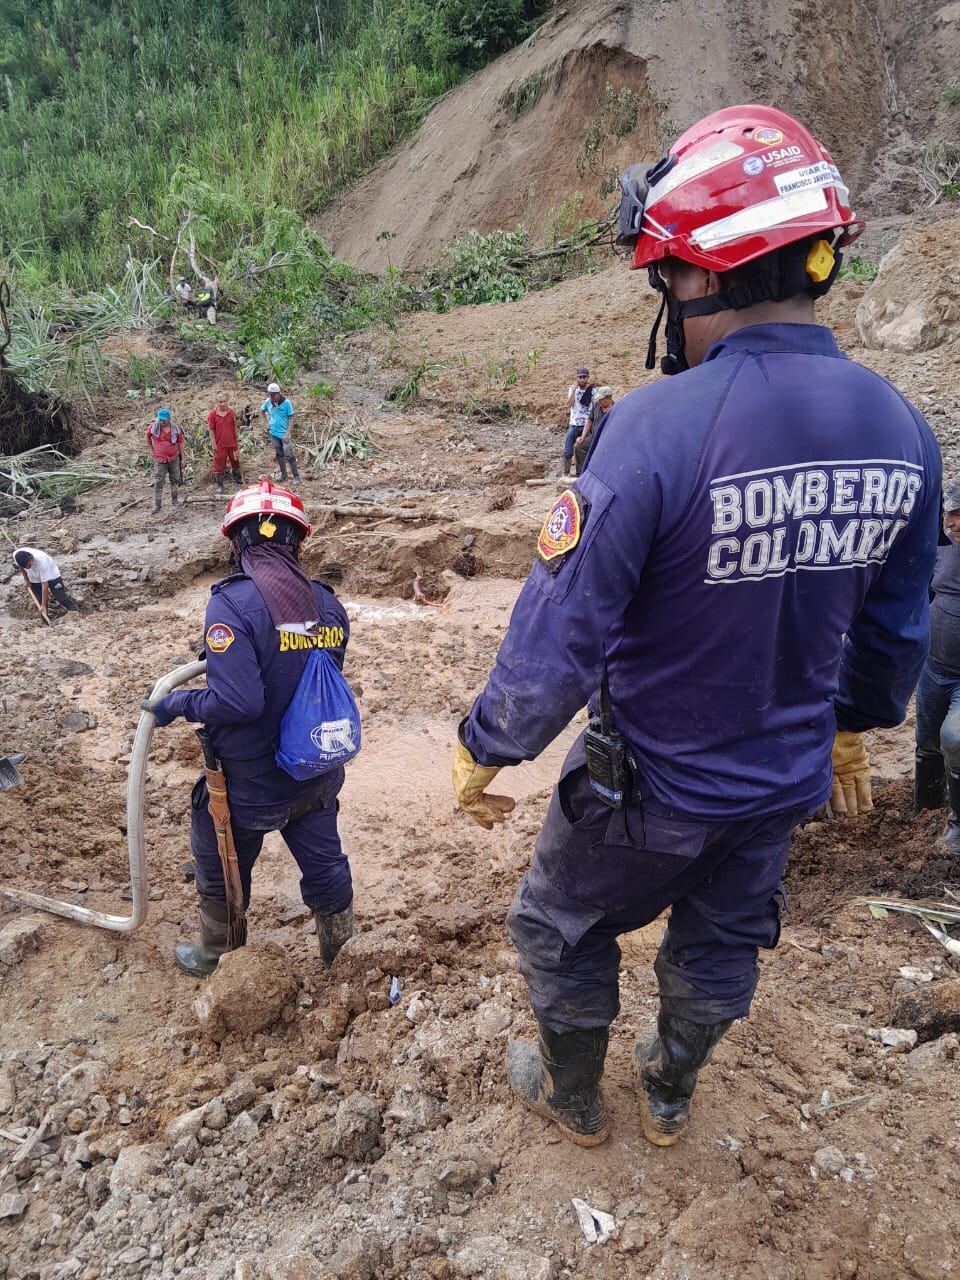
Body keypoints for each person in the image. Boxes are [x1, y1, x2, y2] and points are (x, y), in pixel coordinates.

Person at [451, 105, 941, 1151]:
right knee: (721, 940)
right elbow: (896, 631)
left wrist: (487, 741)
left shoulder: (655, 429)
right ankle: (669, 1091)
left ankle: (574, 1092)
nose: (665, 297)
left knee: (558, 921)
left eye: (667, 274)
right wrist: (854, 721)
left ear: (711, 272)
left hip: (651, 787)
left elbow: (563, 625)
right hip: (785, 781)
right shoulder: (904, 430)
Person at [142, 478, 355, 976]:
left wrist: (179, 704)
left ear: (236, 542)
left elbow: (240, 701)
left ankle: (218, 953)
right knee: (325, 861)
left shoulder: (231, 604)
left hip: (250, 787)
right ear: (297, 541)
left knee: (217, 851)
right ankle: (343, 953)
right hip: (316, 772)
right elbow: (306, 675)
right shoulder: (329, 605)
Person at [914, 473, 960, 849]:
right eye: (951, 514)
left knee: (955, 739)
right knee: (927, 743)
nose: (954, 523)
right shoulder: (942, 546)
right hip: (933, 668)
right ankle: (925, 808)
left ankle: (957, 825)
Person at [13, 547, 79, 617]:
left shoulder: (42, 561)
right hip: (34, 578)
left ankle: (75, 612)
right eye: (26, 567)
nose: (28, 568)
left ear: (31, 558)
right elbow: (21, 567)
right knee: (40, 601)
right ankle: (45, 622)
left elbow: (45, 586)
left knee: (60, 597)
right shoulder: (16, 555)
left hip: (52, 575)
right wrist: (26, 579)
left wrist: (43, 605)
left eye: (29, 566)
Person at [147, 408, 186, 512]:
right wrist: (151, 449)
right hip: (160, 459)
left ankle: (175, 500)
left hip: (173, 458)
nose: (162, 422)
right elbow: (147, 436)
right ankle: (157, 505)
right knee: (159, 481)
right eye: (160, 420)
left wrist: (183, 458)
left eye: (164, 420)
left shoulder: (176, 429)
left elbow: (180, 443)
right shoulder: (154, 427)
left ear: (169, 419)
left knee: (174, 479)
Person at [261, 383, 299, 483]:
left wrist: (287, 433)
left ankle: (296, 476)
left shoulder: (286, 403)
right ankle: (284, 474)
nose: (272, 397)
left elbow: (291, 418)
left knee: (289, 455)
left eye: (273, 395)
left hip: (284, 434)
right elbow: (262, 411)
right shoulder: (268, 402)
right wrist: (266, 423)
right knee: (279, 454)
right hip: (273, 433)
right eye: (270, 395)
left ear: (279, 394)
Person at [207, 392, 242, 495]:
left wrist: (237, 443)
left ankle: (237, 478)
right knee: (219, 464)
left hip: (232, 442)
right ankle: (219, 485)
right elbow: (211, 429)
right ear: (216, 403)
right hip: (220, 444)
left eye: (224, 401)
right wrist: (213, 443)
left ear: (227, 401)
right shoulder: (213, 414)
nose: (223, 404)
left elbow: (237, 427)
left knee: (235, 460)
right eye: (220, 402)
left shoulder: (231, 412)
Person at [574, 385, 614, 475]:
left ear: (608, 398)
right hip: (593, 437)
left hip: (606, 441)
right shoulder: (596, 405)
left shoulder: (615, 410)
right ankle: (581, 473)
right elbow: (590, 420)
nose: (599, 401)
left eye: (601, 399)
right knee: (578, 446)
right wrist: (583, 436)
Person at [563, 368, 595, 476]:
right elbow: (568, 404)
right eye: (580, 377)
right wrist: (573, 390)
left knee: (581, 449)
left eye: (584, 377)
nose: (582, 380)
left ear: (587, 378)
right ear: (577, 378)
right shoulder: (573, 389)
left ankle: (580, 473)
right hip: (574, 424)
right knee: (568, 451)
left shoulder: (593, 391)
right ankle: (566, 473)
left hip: (586, 424)